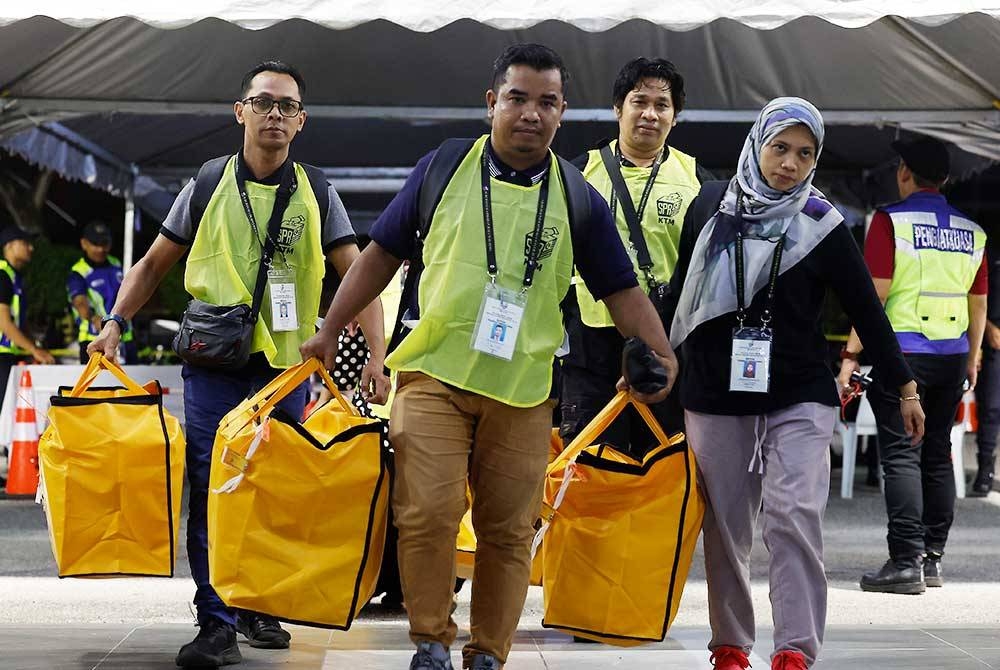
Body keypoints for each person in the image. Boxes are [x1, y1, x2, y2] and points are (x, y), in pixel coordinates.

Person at [300, 43, 677, 670]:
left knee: (508, 530)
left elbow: (621, 290)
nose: (532, 113)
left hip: (524, 390)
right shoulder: (443, 167)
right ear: (491, 102)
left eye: (547, 102)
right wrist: (330, 330)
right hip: (433, 374)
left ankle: (488, 654)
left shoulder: (578, 196)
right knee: (427, 513)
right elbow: (379, 256)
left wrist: (661, 353)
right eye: (518, 98)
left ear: (562, 111)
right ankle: (430, 642)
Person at [88, 60, 389, 668]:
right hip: (213, 365)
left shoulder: (318, 193)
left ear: (301, 121)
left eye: (287, 106)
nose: (274, 114)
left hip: (284, 372)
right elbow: (152, 264)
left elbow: (359, 276)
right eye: (263, 102)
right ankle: (217, 621)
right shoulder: (206, 183)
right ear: (240, 111)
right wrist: (114, 321)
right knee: (212, 486)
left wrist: (377, 358)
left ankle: (257, 603)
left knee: (273, 490)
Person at [664, 98, 924, 670]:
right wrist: (652, 358)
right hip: (714, 392)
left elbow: (867, 308)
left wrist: (905, 388)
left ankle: (794, 649)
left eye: (805, 154)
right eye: (780, 147)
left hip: (800, 392)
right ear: (757, 144)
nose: (790, 163)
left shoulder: (822, 223)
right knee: (726, 525)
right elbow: (680, 294)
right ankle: (730, 643)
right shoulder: (709, 206)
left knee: (794, 515)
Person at [841, 136, 987, 593]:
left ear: (904, 172)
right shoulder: (972, 231)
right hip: (953, 356)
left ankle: (906, 561)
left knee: (902, 454)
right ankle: (932, 559)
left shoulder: (891, 221)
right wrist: (973, 357)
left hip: (903, 357)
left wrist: (850, 355)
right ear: (944, 178)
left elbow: (875, 296)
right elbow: (978, 304)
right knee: (937, 453)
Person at [561, 57, 706, 455]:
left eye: (662, 105)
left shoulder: (697, 180)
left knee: (661, 464)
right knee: (588, 466)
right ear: (618, 108)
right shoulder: (578, 174)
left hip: (664, 345)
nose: (650, 114)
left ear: (675, 117)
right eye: (639, 101)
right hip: (591, 345)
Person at [67, 221, 136, 364]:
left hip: (125, 338)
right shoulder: (78, 272)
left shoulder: (116, 264)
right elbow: (79, 302)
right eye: (95, 244)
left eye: (104, 243)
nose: (100, 249)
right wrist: (96, 319)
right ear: (84, 243)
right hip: (93, 340)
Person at [0, 226, 54, 404]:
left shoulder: (14, 277)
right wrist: (34, 350)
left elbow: (17, 322)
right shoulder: (3, 276)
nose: (31, 248)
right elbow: (4, 322)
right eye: (25, 243)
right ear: (9, 245)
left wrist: (34, 346)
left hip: (8, 354)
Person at [970, 239, 1000, 496]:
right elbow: (973, 296)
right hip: (994, 342)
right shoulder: (989, 253)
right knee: (990, 407)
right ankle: (985, 468)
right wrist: (987, 328)